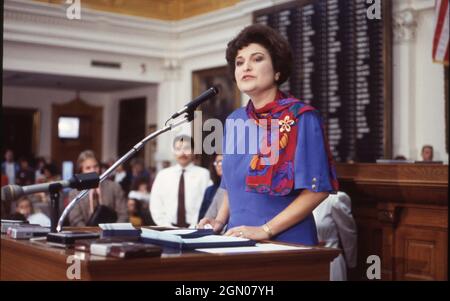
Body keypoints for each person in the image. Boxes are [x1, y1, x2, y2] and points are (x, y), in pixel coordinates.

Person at [198, 24, 339, 245]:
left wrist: (266, 230)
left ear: (277, 70)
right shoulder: (235, 120)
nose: (246, 67)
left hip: (286, 240)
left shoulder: (302, 118)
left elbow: (317, 191)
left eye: (257, 59)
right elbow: (230, 184)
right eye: (240, 62)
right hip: (235, 237)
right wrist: (219, 219)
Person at [150, 135, 211, 228]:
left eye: (186, 148)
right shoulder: (163, 175)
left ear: (194, 152)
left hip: (196, 227)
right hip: (167, 228)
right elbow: (155, 204)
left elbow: (208, 203)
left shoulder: (204, 174)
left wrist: (195, 225)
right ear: (174, 152)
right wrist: (166, 226)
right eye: (178, 149)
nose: (182, 153)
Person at [68, 150, 128, 226]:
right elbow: (75, 219)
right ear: (81, 171)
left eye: (95, 166)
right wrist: (88, 234)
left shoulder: (114, 187)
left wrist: (113, 232)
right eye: (88, 168)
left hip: (112, 234)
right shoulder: (74, 193)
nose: (93, 170)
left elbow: (123, 215)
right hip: (85, 235)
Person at [313, 191, 357, 281]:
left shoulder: (334, 199)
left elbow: (348, 234)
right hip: (302, 263)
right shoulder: (291, 197)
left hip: (330, 262)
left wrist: (351, 263)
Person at [198, 154, 225, 221]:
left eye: (223, 161)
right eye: (218, 162)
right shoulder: (210, 190)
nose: (220, 165)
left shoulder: (237, 188)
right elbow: (203, 218)